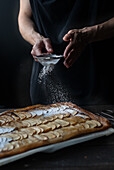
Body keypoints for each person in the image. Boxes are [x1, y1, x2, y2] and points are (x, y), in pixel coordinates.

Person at [18, 0, 114, 105]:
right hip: (44, 83)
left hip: (98, 83)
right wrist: (36, 39)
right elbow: (24, 15)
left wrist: (89, 34)